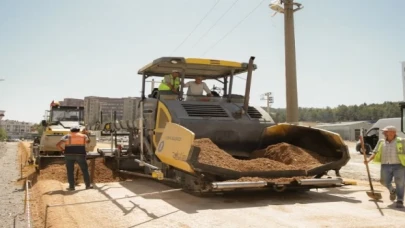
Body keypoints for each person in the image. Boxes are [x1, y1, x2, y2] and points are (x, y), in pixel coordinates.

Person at [365, 125, 405, 208]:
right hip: (385, 165)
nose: (384, 132)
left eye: (386, 131)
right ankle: (392, 190)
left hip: (399, 165)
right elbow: (375, 152)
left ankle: (400, 200)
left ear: (393, 132)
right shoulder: (381, 141)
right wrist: (368, 160)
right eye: (384, 131)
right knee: (384, 182)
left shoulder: (402, 141)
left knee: (400, 183)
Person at [56, 126, 93, 191]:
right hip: (80, 155)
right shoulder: (83, 136)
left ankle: (71, 187)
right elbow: (88, 142)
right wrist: (86, 134)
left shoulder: (67, 136)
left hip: (68, 155)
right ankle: (88, 185)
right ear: (78, 130)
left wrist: (62, 150)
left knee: (70, 171)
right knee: (85, 170)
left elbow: (58, 145)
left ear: (71, 131)